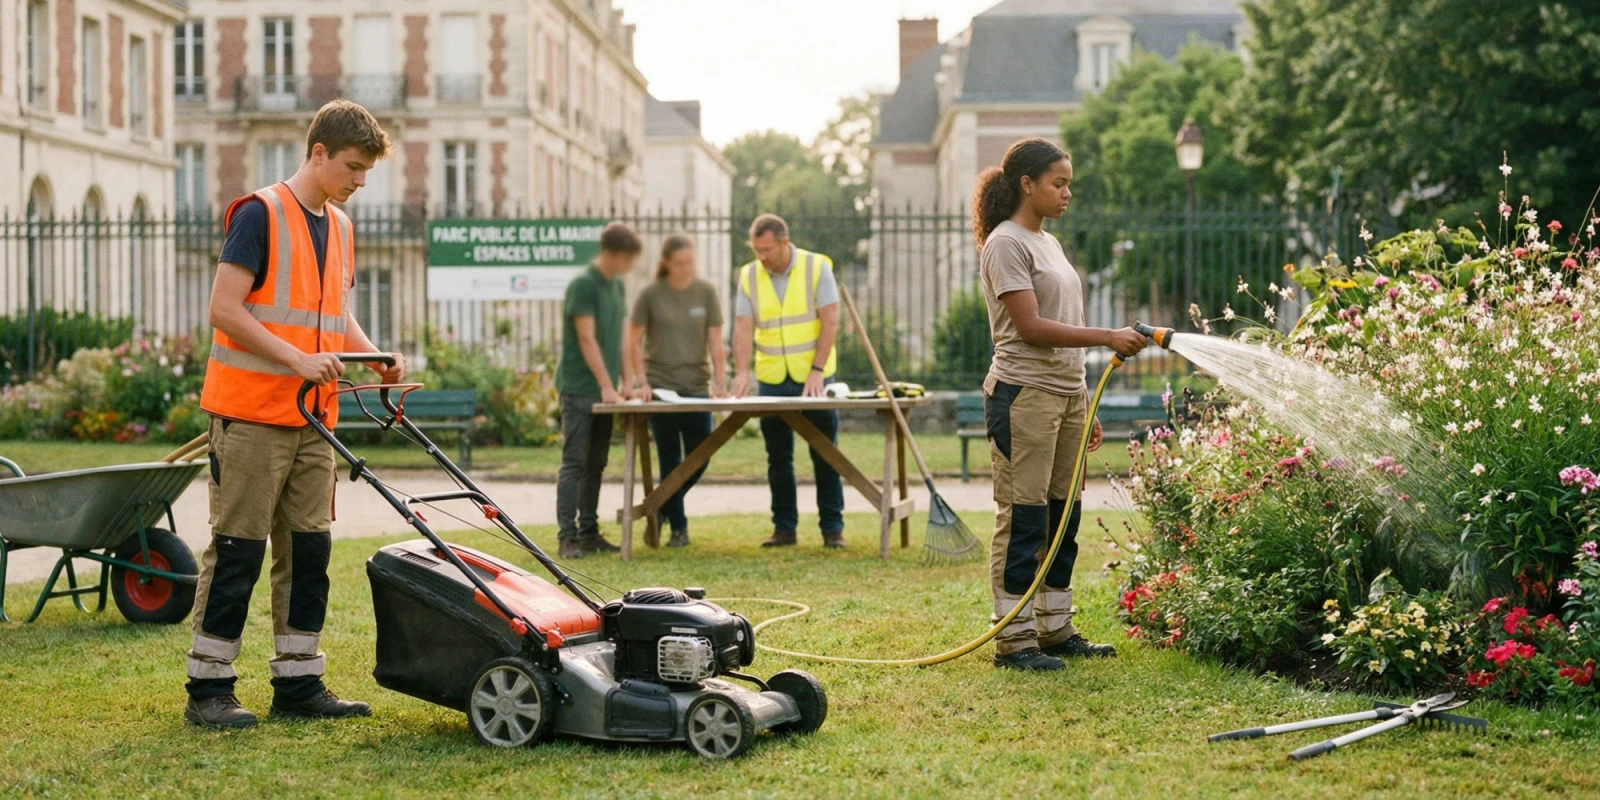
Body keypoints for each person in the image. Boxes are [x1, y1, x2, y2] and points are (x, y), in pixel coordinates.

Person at [185, 100, 406, 728]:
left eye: (366, 172)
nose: (359, 182)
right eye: (353, 168)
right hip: (251, 415)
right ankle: (208, 690)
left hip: (313, 421)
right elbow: (225, 308)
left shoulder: (339, 226)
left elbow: (333, 318)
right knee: (238, 551)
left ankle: (299, 683)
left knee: (308, 552)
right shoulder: (258, 213)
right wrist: (298, 360)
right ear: (318, 153)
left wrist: (374, 357)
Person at [974, 137, 1148, 672]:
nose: (1068, 192)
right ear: (1027, 184)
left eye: (1068, 182)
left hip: (1065, 396)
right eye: (1059, 183)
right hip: (1024, 396)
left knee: (1062, 515)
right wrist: (1106, 337)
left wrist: (1082, 403)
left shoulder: (1047, 241)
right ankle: (1014, 639)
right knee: (1025, 517)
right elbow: (1031, 328)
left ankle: (1054, 628)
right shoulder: (1006, 244)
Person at [730, 214, 845, 549]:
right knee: (777, 457)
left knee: (825, 453)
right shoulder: (749, 275)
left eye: (766, 249)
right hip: (771, 378)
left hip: (814, 378)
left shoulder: (816, 267)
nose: (761, 256)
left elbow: (831, 320)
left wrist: (818, 369)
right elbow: (742, 326)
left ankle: (832, 529)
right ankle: (784, 528)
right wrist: (741, 371)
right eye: (756, 250)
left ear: (783, 242)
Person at [627, 233, 728, 548]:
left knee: (701, 455)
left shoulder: (706, 292)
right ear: (667, 264)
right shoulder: (651, 295)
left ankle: (658, 508)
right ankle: (679, 528)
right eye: (680, 263)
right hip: (662, 387)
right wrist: (642, 382)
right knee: (670, 458)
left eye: (690, 262)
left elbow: (715, 341)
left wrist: (721, 385)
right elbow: (633, 340)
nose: (686, 268)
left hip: (697, 387)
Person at [555, 222, 643, 560]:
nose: (630, 267)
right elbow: (586, 337)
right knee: (574, 462)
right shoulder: (583, 285)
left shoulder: (616, 287)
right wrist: (606, 386)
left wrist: (627, 383)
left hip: (607, 391)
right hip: (580, 388)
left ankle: (589, 533)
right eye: (628, 260)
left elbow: (622, 337)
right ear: (612, 254)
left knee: (597, 463)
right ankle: (568, 536)